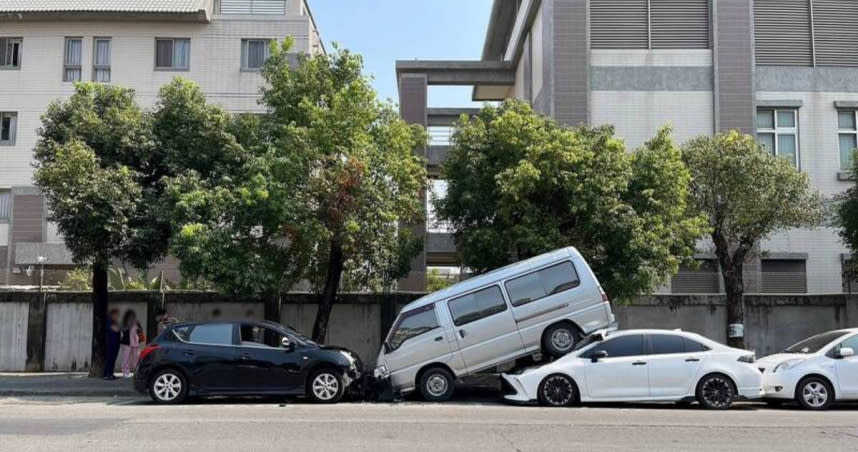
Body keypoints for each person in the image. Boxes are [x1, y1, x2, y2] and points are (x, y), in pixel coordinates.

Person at [119, 309, 142, 378]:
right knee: (126, 358)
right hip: (126, 343)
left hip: (136, 343)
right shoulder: (124, 323)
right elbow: (122, 331)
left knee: (136, 358)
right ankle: (126, 372)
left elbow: (141, 331)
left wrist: (138, 331)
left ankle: (136, 372)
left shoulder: (137, 322)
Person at [103, 309, 121, 380]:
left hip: (116, 342)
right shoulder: (109, 321)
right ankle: (107, 374)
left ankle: (111, 373)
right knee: (109, 358)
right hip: (110, 342)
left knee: (113, 358)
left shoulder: (116, 322)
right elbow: (113, 329)